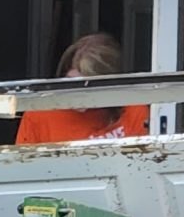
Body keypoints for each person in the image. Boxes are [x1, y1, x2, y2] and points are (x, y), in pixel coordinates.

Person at [20, 32, 149, 144]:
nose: (77, 94)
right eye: (70, 83)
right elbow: (22, 168)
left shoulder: (133, 110)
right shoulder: (39, 113)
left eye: (87, 86)